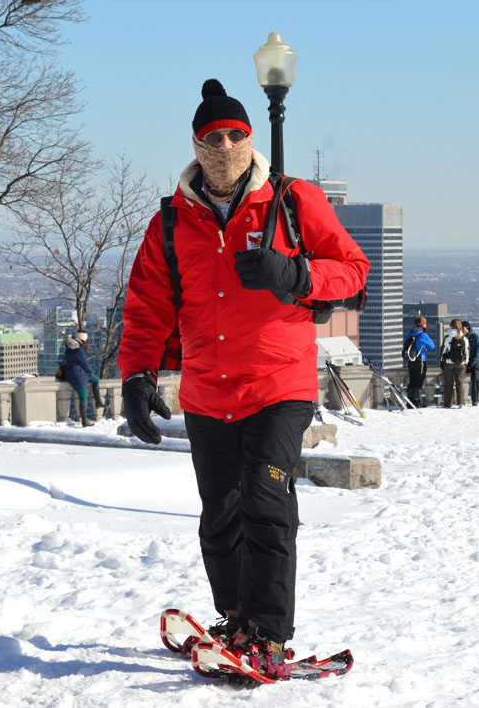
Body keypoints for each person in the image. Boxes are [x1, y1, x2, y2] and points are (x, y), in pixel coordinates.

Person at [117, 79, 369, 679]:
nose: (225, 145)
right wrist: (137, 377)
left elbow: (354, 274)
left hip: (279, 384)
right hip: (207, 390)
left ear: (250, 140)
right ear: (197, 146)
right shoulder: (171, 223)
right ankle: (236, 619)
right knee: (220, 515)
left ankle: (270, 636)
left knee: (266, 502)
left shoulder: (292, 201)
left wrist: (295, 274)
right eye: (213, 137)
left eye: (235, 135)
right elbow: (147, 305)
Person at [62, 331, 102, 427]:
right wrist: (90, 372)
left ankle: (99, 402)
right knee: (83, 397)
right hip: (77, 376)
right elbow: (85, 364)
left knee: (95, 379)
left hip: (71, 373)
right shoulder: (79, 349)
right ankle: (84, 421)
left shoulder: (69, 347)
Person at [403, 315, 435, 407]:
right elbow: (432, 346)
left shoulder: (410, 333)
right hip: (420, 361)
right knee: (418, 382)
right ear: (423, 325)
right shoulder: (423, 335)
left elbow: (405, 344)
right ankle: (417, 402)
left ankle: (409, 402)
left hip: (411, 361)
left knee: (412, 381)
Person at [440, 318, 468, 408]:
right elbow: (467, 352)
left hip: (449, 363)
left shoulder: (448, 338)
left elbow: (443, 350)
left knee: (448, 383)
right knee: (459, 383)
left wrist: (442, 361)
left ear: (451, 326)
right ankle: (461, 403)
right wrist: (465, 362)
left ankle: (448, 403)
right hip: (461, 363)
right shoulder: (464, 338)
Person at [462, 321, 479, 406]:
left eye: (463, 328)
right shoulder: (461, 338)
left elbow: (477, 354)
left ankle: (475, 399)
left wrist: (471, 364)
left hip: (474, 361)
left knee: (475, 378)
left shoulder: (475, 337)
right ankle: (460, 399)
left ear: (468, 328)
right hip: (464, 361)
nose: (462, 330)